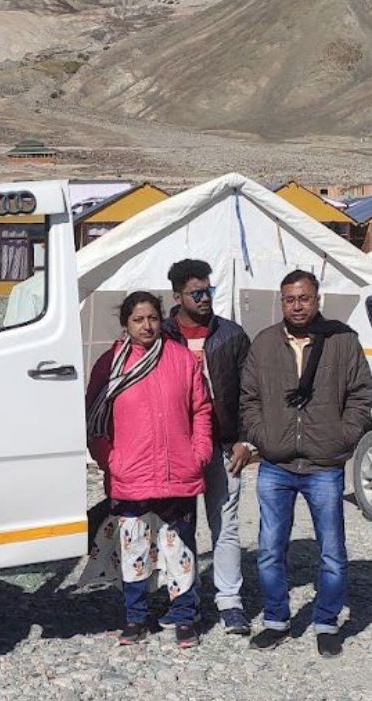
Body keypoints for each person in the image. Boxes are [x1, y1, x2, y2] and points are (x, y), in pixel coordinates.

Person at [241, 270, 372, 658]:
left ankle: (327, 622)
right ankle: (277, 621)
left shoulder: (343, 341)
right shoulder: (264, 344)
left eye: (304, 298)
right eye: (289, 299)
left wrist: (342, 437)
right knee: (269, 548)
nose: (297, 306)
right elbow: (248, 399)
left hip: (324, 465)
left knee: (332, 549)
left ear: (318, 299)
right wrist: (263, 438)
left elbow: (363, 396)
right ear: (281, 301)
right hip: (276, 465)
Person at [86, 291, 213, 648]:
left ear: (162, 319)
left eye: (153, 318)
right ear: (126, 324)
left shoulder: (182, 359)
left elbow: (201, 409)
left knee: (180, 551)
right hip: (131, 474)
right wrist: (108, 459)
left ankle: (185, 618)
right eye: (138, 319)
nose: (147, 325)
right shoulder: (111, 363)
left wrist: (199, 451)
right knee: (134, 550)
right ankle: (135, 618)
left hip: (178, 472)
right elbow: (94, 417)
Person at [162, 259, 252, 635]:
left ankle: (230, 602)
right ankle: (185, 602)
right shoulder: (162, 335)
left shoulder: (230, 335)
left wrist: (246, 440)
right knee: (180, 527)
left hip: (223, 444)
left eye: (208, 291)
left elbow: (251, 393)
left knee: (225, 524)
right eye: (196, 293)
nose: (204, 299)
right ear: (177, 295)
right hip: (177, 447)